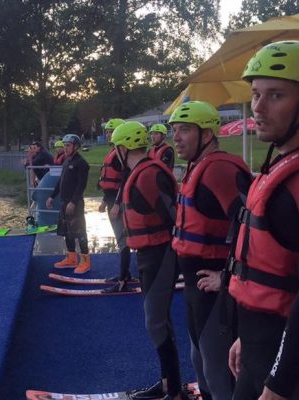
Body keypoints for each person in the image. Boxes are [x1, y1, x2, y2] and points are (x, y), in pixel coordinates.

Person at [227, 40, 299, 400]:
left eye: (276, 95)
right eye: (255, 95)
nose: (259, 109)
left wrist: (279, 385)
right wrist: (246, 338)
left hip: (293, 369)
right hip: (257, 349)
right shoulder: (279, 166)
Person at [169, 101, 252, 400]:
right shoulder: (196, 167)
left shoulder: (218, 169)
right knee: (200, 363)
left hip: (217, 292)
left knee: (218, 372)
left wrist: (227, 276)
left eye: (185, 130)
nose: (176, 137)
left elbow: (253, 227)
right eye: (174, 130)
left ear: (207, 134)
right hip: (196, 290)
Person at [111, 121, 188, 400]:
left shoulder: (149, 175)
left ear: (123, 148)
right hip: (148, 254)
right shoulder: (140, 172)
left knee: (155, 321)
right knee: (158, 320)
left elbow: (176, 216)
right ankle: (168, 384)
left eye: (115, 148)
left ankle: (174, 390)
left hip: (162, 253)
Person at [46, 134, 91, 274]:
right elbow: (61, 181)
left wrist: (73, 202)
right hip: (64, 202)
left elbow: (81, 186)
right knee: (67, 232)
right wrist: (52, 196)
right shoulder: (66, 161)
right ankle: (71, 258)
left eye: (68, 146)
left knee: (80, 232)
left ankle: (86, 261)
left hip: (75, 204)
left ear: (76, 146)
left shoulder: (81, 163)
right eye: (64, 146)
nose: (65, 148)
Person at [98, 118, 133, 291]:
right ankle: (125, 274)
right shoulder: (115, 152)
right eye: (107, 131)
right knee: (121, 239)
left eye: (110, 131)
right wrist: (105, 201)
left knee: (122, 240)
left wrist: (117, 203)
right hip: (112, 199)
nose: (108, 134)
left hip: (117, 202)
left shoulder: (120, 155)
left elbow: (124, 180)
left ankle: (123, 281)